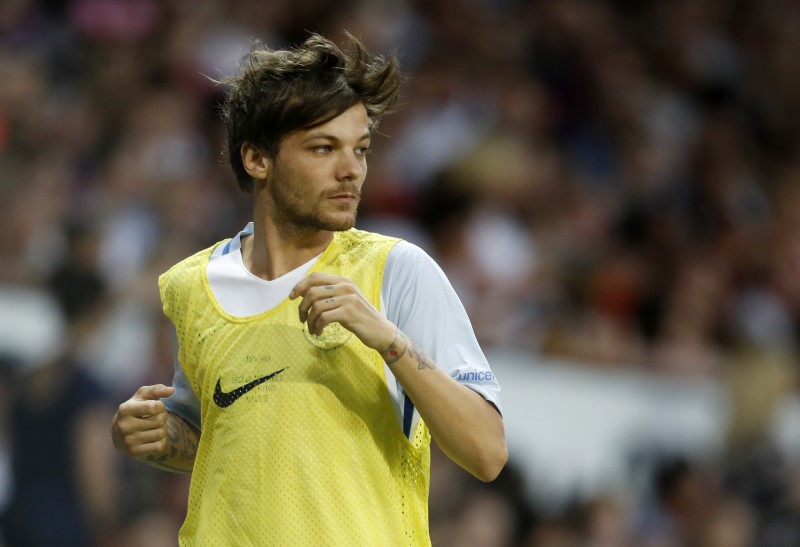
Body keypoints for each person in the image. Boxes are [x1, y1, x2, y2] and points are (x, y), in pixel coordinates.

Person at [111, 32, 507, 546]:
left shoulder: (398, 270)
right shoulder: (191, 285)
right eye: (324, 148)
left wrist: (390, 341)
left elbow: (487, 452)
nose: (352, 171)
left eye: (360, 150)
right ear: (257, 159)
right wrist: (155, 437)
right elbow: (216, 439)